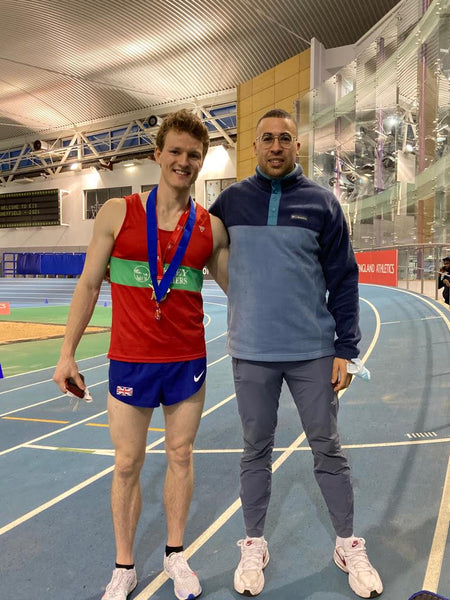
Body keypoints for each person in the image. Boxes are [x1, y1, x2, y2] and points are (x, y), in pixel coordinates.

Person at [53, 109, 229, 600]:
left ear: (201, 163)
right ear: (157, 154)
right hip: (130, 360)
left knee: (180, 455)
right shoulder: (118, 213)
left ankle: (175, 555)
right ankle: (124, 566)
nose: (183, 161)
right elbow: (89, 285)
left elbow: (243, 293)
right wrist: (67, 354)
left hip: (187, 360)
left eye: (193, 155)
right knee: (127, 463)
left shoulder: (209, 228)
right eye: (175, 151)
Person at [209, 108, 383, 599]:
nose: (277, 146)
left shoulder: (323, 203)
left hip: (311, 351)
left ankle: (348, 543)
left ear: (298, 146)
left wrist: (345, 350)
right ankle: (254, 543)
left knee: (328, 448)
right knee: (255, 451)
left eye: (286, 138)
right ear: (256, 146)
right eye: (267, 138)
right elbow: (197, 244)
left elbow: (344, 280)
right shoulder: (231, 202)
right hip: (251, 353)